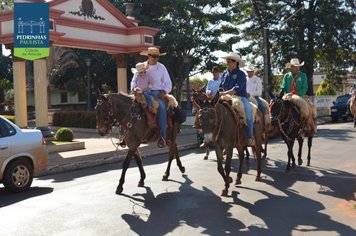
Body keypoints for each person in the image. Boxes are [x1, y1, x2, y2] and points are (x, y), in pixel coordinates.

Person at [219, 52, 254, 146]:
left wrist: (224, 93)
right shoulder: (224, 74)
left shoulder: (241, 74)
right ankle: (213, 137)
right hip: (225, 97)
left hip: (240, 97)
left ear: (236, 62)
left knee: (249, 112)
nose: (228, 63)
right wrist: (220, 92)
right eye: (227, 61)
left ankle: (249, 137)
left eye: (230, 61)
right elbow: (221, 87)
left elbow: (237, 89)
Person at [140, 47, 172, 148]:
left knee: (161, 107)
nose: (156, 58)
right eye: (154, 56)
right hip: (142, 92)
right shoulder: (141, 66)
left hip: (157, 93)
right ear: (148, 56)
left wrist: (164, 91)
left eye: (157, 56)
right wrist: (134, 88)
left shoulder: (162, 67)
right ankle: (126, 133)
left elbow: (168, 83)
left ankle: (162, 136)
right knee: (128, 104)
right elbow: (134, 79)